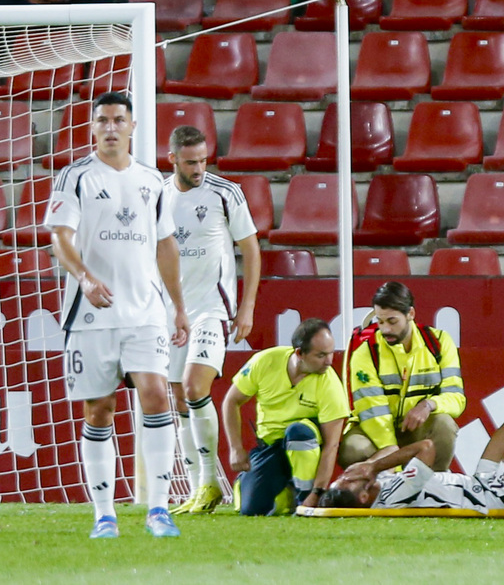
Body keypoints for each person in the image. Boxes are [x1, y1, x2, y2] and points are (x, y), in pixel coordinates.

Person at [45, 91, 189, 539]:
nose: (110, 128)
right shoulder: (75, 177)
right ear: (92, 127)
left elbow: (166, 244)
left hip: (145, 310)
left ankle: (159, 509)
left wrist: (178, 306)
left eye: (118, 120)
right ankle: (104, 514)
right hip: (91, 315)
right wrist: (85, 278)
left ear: (132, 127)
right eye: (102, 120)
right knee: (99, 409)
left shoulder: (152, 180)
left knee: (155, 394)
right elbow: (60, 237)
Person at [162, 125, 260, 516]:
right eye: (190, 162)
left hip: (212, 308)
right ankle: (198, 487)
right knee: (178, 399)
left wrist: (247, 306)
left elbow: (251, 250)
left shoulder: (225, 192)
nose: (199, 167)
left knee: (193, 385)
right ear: (173, 159)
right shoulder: (158, 195)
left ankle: (210, 482)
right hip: (171, 311)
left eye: (203, 159)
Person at [321, 416, 504, 515]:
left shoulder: (378, 485)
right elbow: (426, 448)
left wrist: (372, 467)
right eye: (347, 479)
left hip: (476, 484)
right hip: (492, 498)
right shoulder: (392, 498)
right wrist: (373, 467)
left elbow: (392, 450)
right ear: (363, 495)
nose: (349, 472)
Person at [223, 318, 350, 515]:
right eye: (321, 355)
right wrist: (236, 448)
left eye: (331, 353)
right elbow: (231, 401)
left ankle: (303, 497)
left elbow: (331, 445)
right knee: (251, 510)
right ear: (299, 353)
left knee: (299, 432)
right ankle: (268, 487)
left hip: (306, 447)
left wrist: (316, 493)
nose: (329, 361)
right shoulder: (264, 362)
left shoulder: (330, 383)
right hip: (270, 447)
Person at [339, 281, 465, 472]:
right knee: (353, 448)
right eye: (380, 322)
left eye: (392, 321)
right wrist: (394, 461)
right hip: (375, 432)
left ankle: (433, 486)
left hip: (416, 431)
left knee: (444, 424)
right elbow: (374, 413)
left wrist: (428, 405)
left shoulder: (439, 343)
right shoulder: (365, 352)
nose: (385, 329)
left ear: (410, 314)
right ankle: (384, 493)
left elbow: (456, 398)